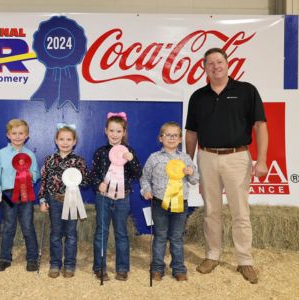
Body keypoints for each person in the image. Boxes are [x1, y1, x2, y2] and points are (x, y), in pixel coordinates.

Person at [185, 47, 268, 284]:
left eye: (219, 61)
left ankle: (245, 260)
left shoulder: (246, 91)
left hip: (237, 156)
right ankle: (212, 255)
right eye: (210, 63)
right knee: (211, 210)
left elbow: (260, 126)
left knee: (240, 211)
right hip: (207, 157)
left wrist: (260, 160)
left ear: (228, 64)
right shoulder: (198, 97)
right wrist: (187, 162)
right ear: (204, 68)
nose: (215, 66)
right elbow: (191, 133)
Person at [140, 121, 198, 281]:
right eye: (167, 135)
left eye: (175, 135)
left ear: (180, 139)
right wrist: (146, 190)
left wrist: (191, 172)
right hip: (159, 203)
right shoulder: (154, 158)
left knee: (177, 237)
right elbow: (144, 178)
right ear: (160, 138)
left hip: (180, 204)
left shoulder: (186, 158)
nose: (171, 138)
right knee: (160, 236)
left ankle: (178, 268)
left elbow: (194, 180)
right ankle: (157, 268)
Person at [91, 112, 141, 281]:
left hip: (122, 198)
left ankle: (122, 268)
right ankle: (99, 267)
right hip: (103, 196)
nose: (114, 134)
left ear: (124, 132)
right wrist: (98, 183)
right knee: (101, 232)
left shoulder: (129, 152)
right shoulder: (100, 152)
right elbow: (94, 173)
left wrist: (131, 160)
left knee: (121, 233)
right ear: (106, 131)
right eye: (111, 130)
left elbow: (137, 173)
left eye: (118, 131)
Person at [38, 124, 89, 279]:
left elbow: (86, 182)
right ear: (56, 140)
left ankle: (69, 265)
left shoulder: (79, 161)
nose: (65, 142)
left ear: (74, 142)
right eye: (62, 139)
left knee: (71, 234)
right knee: (55, 234)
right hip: (54, 201)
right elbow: (44, 182)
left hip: (72, 201)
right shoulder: (49, 160)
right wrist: (42, 200)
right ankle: (55, 264)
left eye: (68, 139)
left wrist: (80, 179)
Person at [0, 119, 40, 272]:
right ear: (8, 135)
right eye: (14, 133)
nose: (17, 136)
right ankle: (5, 258)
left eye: (21, 133)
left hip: (26, 194)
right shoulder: (1, 154)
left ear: (27, 135)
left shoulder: (30, 154)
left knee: (27, 226)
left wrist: (31, 174)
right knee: (8, 226)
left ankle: (32, 258)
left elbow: (37, 174)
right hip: (8, 194)